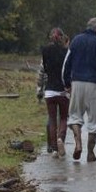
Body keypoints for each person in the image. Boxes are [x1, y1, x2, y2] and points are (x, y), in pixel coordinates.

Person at [62, 17, 96, 162]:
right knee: (94, 120)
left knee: (74, 116)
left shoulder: (76, 40)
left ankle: (78, 143)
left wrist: (67, 83)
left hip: (77, 82)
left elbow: (66, 64)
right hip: (94, 84)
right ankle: (90, 153)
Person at [39, 28, 70, 157]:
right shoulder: (66, 52)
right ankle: (60, 139)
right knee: (63, 118)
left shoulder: (44, 51)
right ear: (62, 37)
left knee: (52, 120)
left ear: (50, 37)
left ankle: (55, 149)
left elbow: (44, 70)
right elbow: (68, 71)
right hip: (63, 91)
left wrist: (39, 90)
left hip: (49, 91)